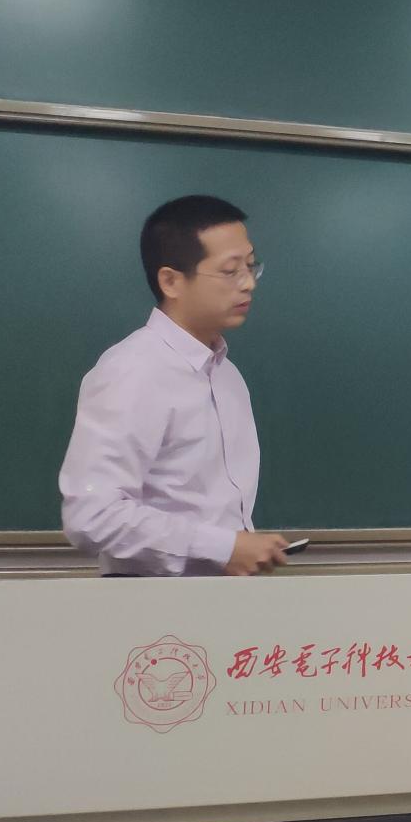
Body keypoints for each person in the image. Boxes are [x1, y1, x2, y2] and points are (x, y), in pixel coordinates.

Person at [60, 195, 289, 576]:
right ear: (171, 281)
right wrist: (222, 547)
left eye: (251, 266)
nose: (248, 283)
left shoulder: (228, 376)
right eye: (230, 271)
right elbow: (92, 516)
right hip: (150, 602)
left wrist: (239, 547)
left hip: (224, 596)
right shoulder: (132, 371)